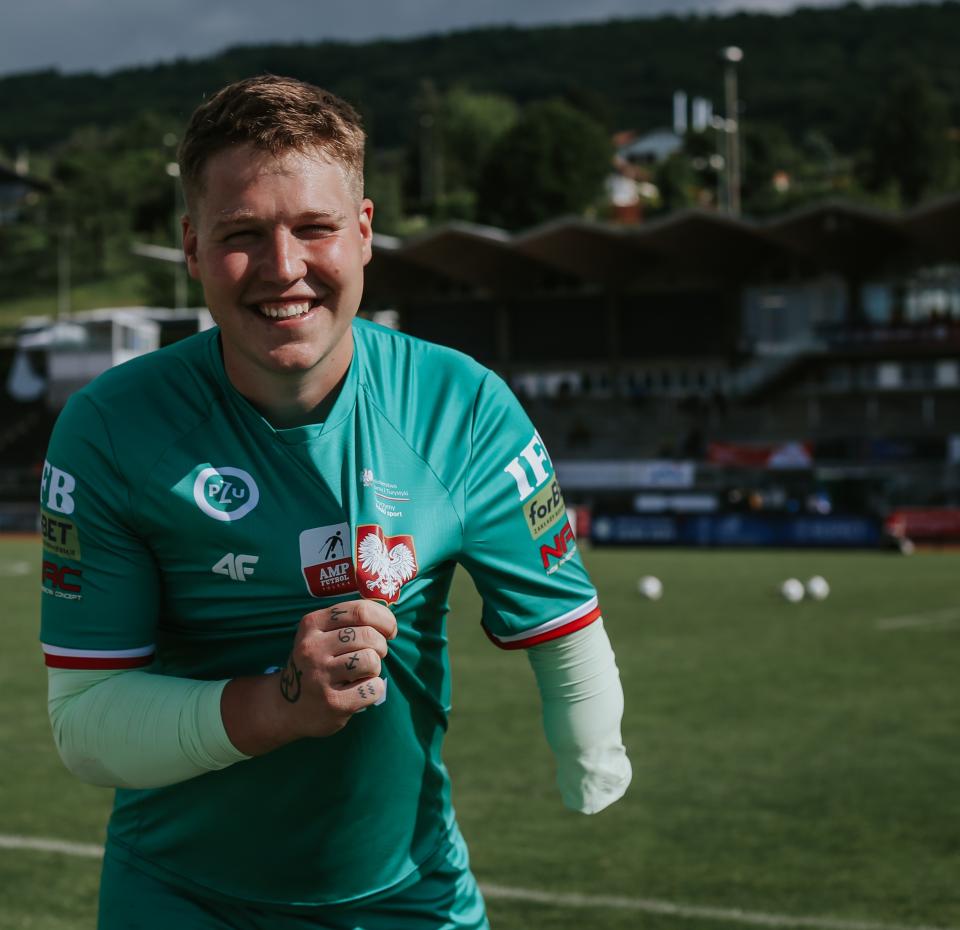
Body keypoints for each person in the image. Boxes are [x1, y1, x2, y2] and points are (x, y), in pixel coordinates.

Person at [39, 74, 631, 930]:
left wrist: (592, 755)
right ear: (192, 247)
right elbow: (87, 726)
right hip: (178, 897)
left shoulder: (462, 407)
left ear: (363, 233)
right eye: (243, 234)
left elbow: (564, 630)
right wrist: (282, 704)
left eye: (314, 228)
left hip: (411, 894)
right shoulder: (110, 428)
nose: (284, 268)